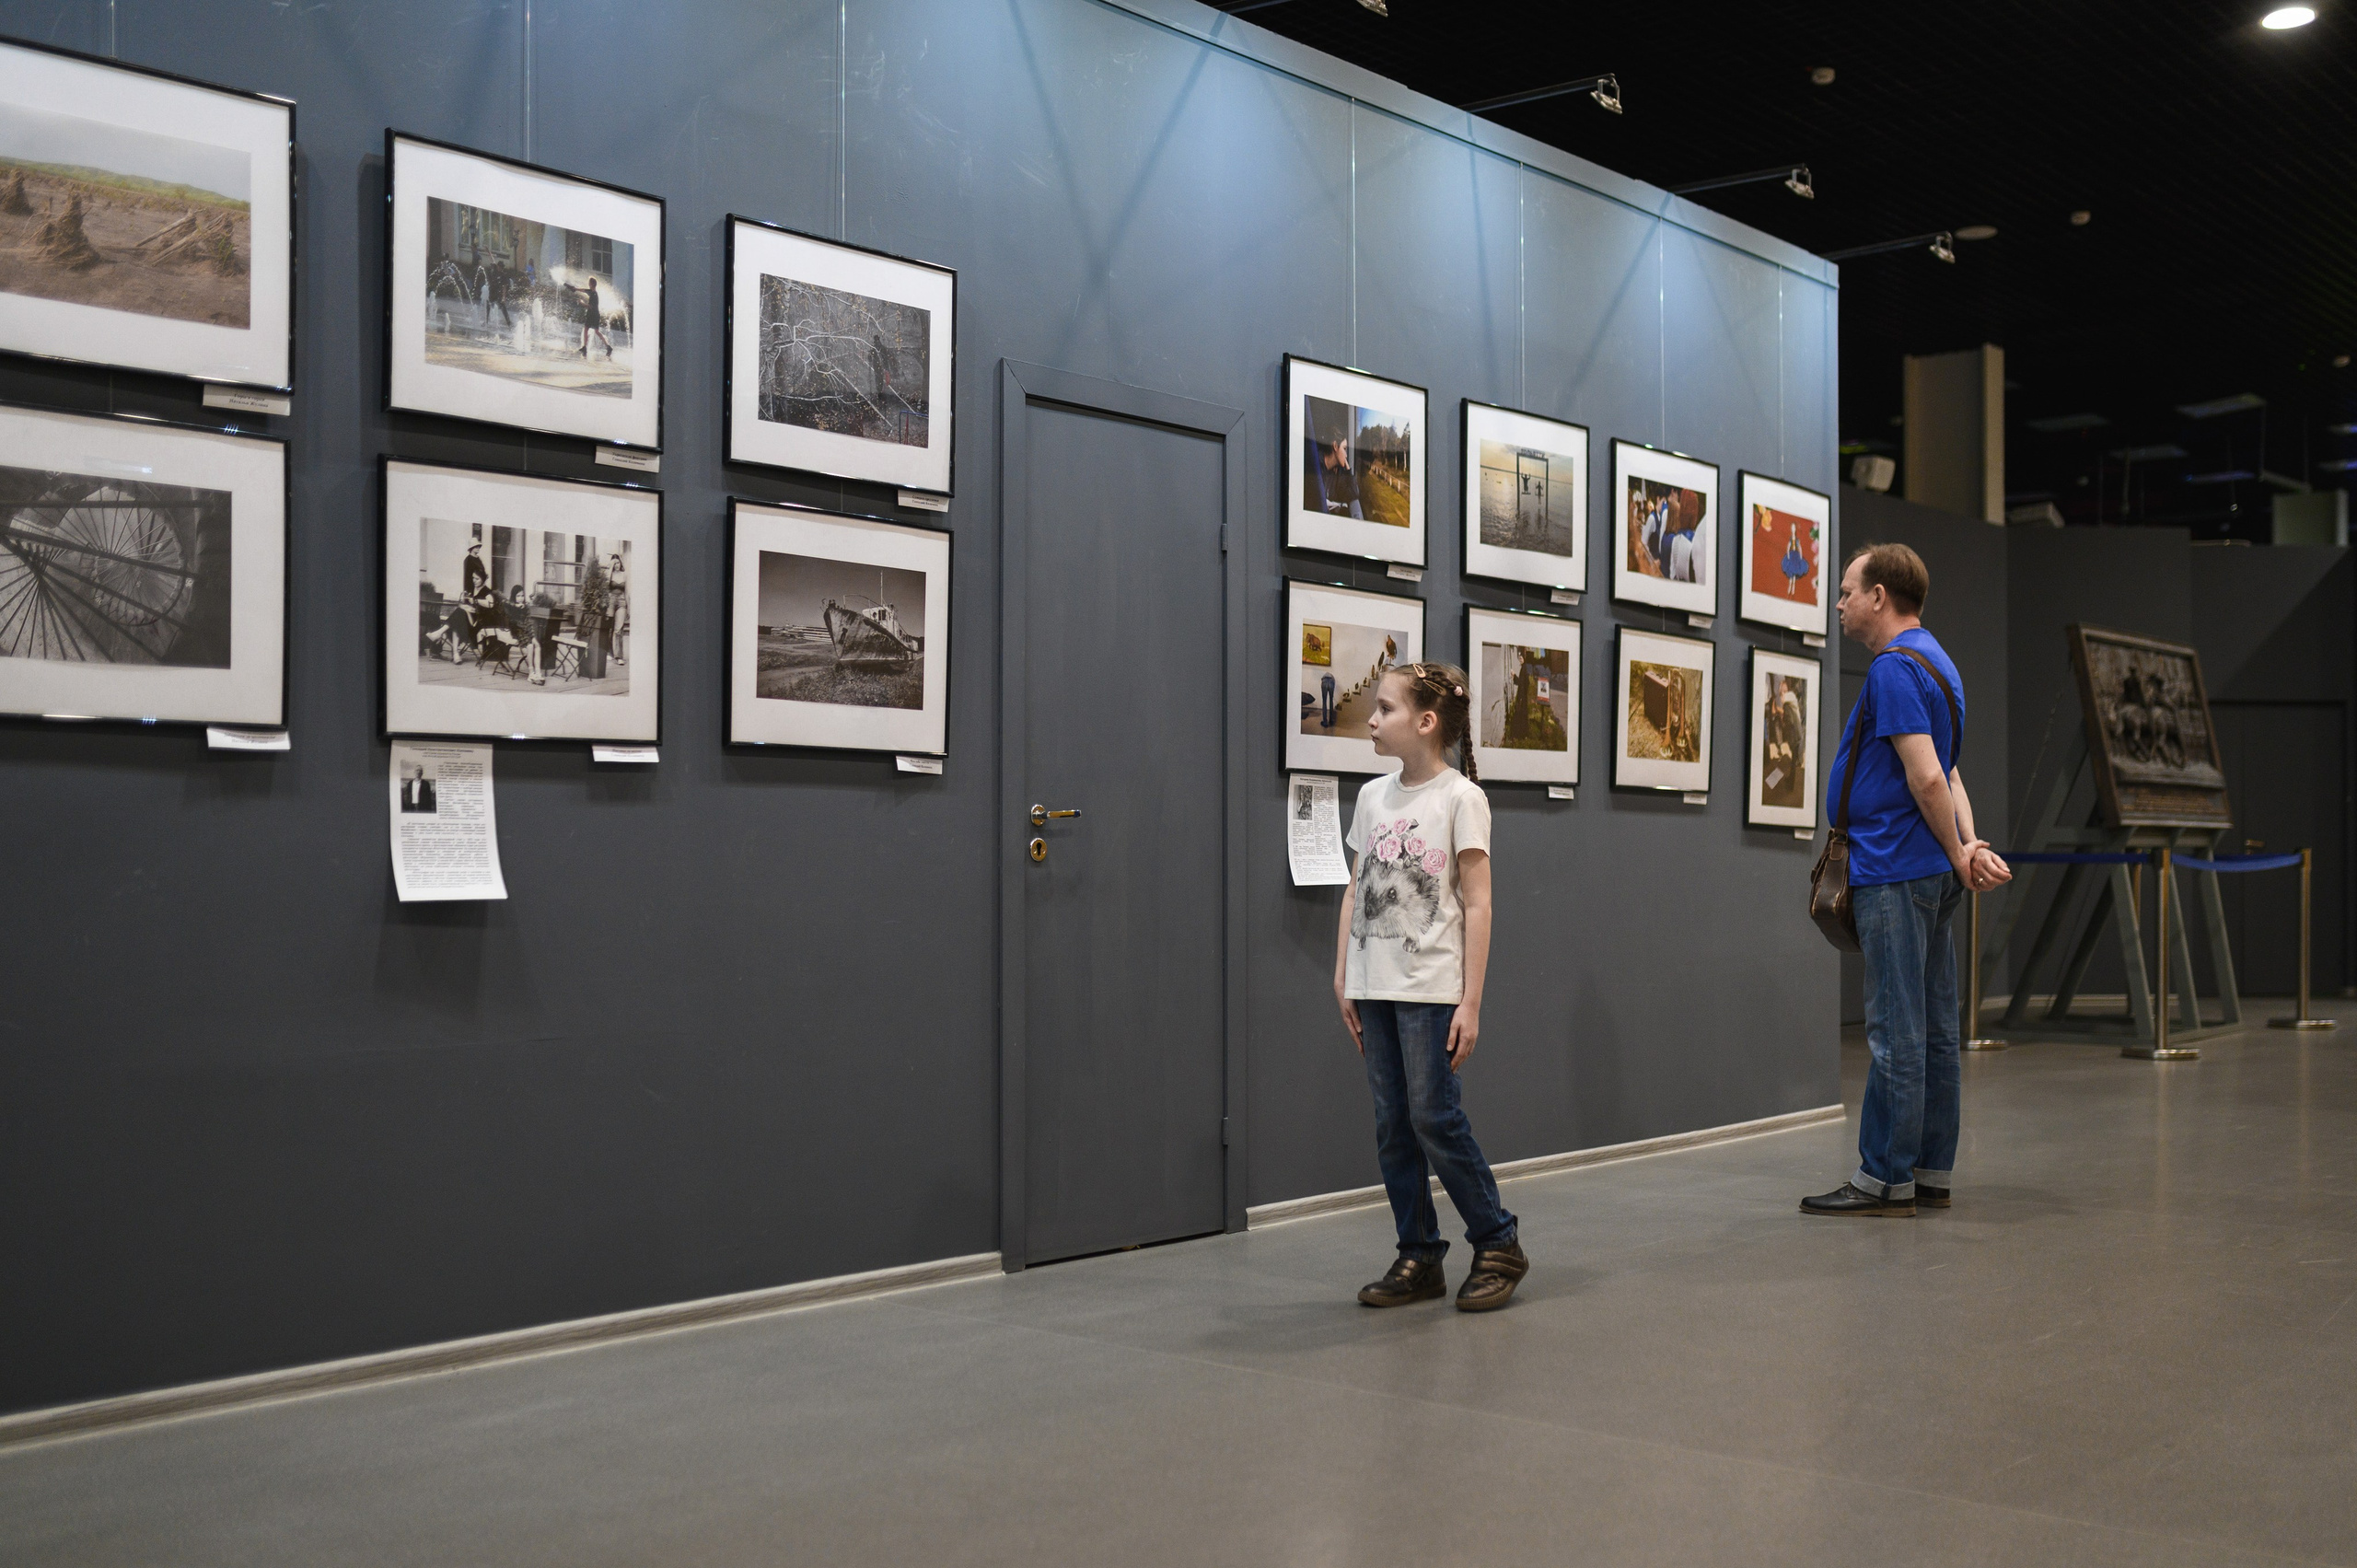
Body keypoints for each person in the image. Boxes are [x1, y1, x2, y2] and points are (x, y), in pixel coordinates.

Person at [1803, 543, 2011, 1219]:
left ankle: (1883, 1178)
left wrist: (1957, 850)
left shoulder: (1893, 668)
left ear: (1879, 596)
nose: (1839, 603)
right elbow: (1950, 774)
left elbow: (1927, 778)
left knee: (1896, 1028)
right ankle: (1929, 1170)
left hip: (1894, 870)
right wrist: (1966, 847)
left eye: (1847, 591)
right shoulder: (1938, 662)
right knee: (1935, 1029)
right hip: (1928, 871)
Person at [1335, 661, 1527, 1312]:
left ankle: (1498, 1241)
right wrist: (1344, 972)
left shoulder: (1461, 798)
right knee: (1393, 1124)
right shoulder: (1372, 796)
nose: (1372, 719)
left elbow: (1479, 903)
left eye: (1385, 708)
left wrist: (1470, 1001)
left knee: (1434, 1117)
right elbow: (1356, 888)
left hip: (1430, 990)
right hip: (1375, 985)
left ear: (1425, 721)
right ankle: (1418, 1253)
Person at [577, 275, 613, 360]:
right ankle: (608, 347)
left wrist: (581, 302)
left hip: (592, 315)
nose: (588, 284)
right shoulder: (592, 292)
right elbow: (584, 290)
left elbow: (590, 307)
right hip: (595, 315)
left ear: (591, 284)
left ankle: (585, 348)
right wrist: (575, 289)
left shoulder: (594, 295)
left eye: (589, 283)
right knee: (596, 331)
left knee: (587, 329)